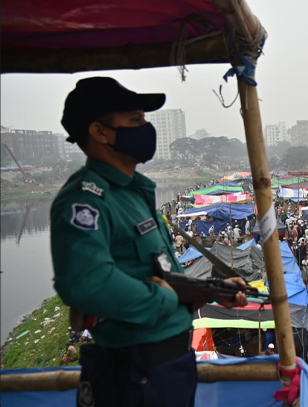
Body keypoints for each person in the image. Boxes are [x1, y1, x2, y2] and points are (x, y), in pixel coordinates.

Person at [51, 77, 248, 407]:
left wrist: (211, 289)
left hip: (165, 368)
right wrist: (163, 299)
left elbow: (159, 277)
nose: (146, 127)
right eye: (134, 120)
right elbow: (87, 283)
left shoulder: (133, 193)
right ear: (99, 132)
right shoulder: (86, 201)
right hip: (133, 375)